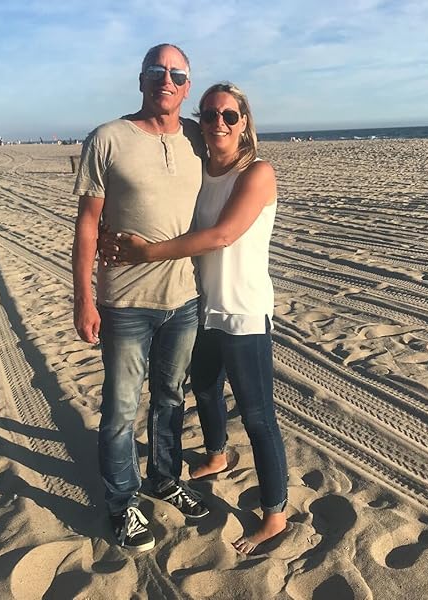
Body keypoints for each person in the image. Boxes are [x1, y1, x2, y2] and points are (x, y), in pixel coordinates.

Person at [102, 82, 288, 554]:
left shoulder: (258, 172)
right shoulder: (202, 171)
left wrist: (147, 253)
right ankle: (217, 455)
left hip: (244, 311)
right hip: (203, 306)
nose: (218, 123)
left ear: (244, 122)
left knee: (257, 416)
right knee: (203, 390)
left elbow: (223, 235)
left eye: (228, 115)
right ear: (199, 122)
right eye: (208, 115)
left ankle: (275, 513)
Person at [71, 43, 209, 553]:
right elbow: (87, 225)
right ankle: (122, 501)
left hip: (184, 298)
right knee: (121, 407)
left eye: (177, 74)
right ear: (141, 79)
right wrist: (83, 299)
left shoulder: (198, 137)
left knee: (170, 398)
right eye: (157, 70)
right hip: (125, 303)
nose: (166, 80)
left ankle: (164, 478)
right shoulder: (108, 138)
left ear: (187, 87)